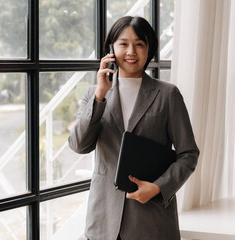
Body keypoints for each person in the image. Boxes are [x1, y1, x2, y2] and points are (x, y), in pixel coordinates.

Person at [68, 16, 199, 240]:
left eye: (139, 44)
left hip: (151, 220)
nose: (131, 51)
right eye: (123, 44)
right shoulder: (94, 94)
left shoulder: (168, 94)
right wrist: (100, 94)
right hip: (104, 221)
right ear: (111, 49)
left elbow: (188, 154)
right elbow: (79, 145)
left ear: (150, 50)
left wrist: (158, 188)